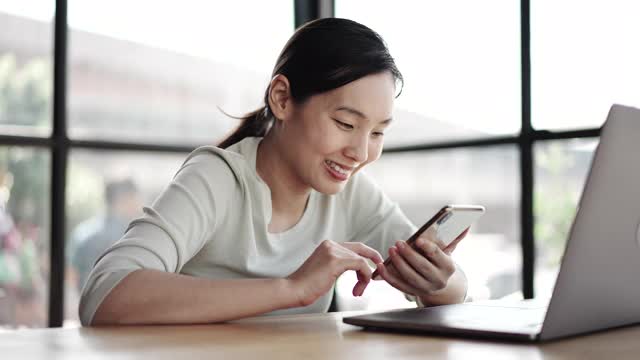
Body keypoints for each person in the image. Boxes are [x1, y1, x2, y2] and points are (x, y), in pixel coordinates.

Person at [79, 18, 468, 326]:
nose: (361, 152)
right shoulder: (219, 178)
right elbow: (106, 294)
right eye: (346, 124)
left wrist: (438, 281)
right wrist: (291, 289)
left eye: (378, 132)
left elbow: (454, 290)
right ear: (282, 99)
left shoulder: (351, 191)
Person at [68, 178, 142, 292]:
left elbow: (71, 276)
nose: (138, 206)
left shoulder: (82, 232)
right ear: (122, 200)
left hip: (87, 304)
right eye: (134, 199)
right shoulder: (131, 236)